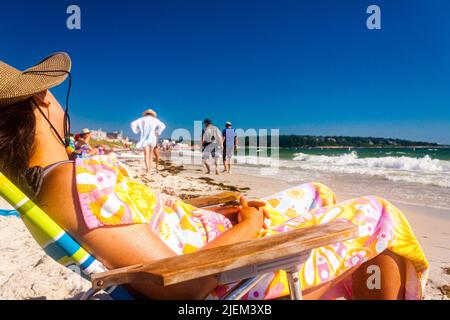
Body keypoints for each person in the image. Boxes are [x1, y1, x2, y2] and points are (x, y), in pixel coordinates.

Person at [0, 53, 428, 300]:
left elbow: (149, 221)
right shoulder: (74, 185)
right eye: (50, 92)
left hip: (214, 238)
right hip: (229, 274)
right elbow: (179, 281)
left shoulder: (56, 180)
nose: (56, 99)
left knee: (318, 191)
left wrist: (220, 212)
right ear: (38, 102)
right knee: (379, 214)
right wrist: (251, 224)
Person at [131, 109, 166, 173]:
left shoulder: (141, 119)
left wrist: (137, 130)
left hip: (145, 137)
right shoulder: (155, 120)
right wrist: (158, 131)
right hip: (153, 137)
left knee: (146, 155)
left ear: (146, 114)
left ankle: (148, 170)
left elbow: (132, 124)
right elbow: (163, 126)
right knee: (150, 154)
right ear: (152, 114)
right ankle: (150, 168)